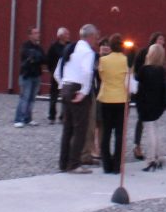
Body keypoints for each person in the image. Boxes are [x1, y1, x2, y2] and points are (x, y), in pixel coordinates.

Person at [56, 24, 99, 174]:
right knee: (80, 128)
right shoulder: (88, 52)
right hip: (77, 88)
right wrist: (84, 91)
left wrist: (62, 84)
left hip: (66, 87)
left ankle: (64, 162)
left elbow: (57, 71)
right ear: (91, 36)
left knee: (67, 128)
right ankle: (74, 164)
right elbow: (87, 72)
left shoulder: (70, 48)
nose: (96, 40)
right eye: (96, 37)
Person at [95, 33, 130, 175]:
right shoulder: (126, 60)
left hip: (106, 98)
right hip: (121, 98)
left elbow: (101, 77)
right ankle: (117, 165)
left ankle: (107, 164)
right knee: (120, 134)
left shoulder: (103, 60)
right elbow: (129, 80)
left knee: (106, 132)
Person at [134, 43, 166, 171]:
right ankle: (160, 156)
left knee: (149, 132)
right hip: (158, 105)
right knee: (157, 130)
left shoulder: (144, 70)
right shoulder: (162, 71)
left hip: (146, 105)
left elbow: (136, 86)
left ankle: (151, 159)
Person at [130, 32, 165, 160]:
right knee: (146, 124)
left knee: (151, 127)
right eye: (160, 39)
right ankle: (139, 146)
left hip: (148, 99)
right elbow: (137, 73)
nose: (161, 41)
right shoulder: (143, 54)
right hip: (147, 98)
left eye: (163, 39)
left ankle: (153, 155)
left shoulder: (159, 65)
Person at [13, 27, 45, 127]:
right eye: (35, 33)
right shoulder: (25, 46)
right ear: (30, 35)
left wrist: (35, 58)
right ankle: (18, 119)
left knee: (32, 98)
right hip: (26, 76)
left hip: (36, 75)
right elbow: (29, 56)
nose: (37, 34)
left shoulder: (39, 47)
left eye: (38, 32)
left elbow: (44, 58)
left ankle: (28, 118)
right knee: (24, 98)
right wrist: (35, 58)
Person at [45, 26, 70, 123]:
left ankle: (63, 117)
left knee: (65, 97)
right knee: (53, 97)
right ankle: (52, 116)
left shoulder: (69, 46)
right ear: (60, 36)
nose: (68, 36)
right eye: (66, 34)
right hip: (55, 76)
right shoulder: (53, 47)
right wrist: (52, 71)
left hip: (67, 75)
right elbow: (48, 60)